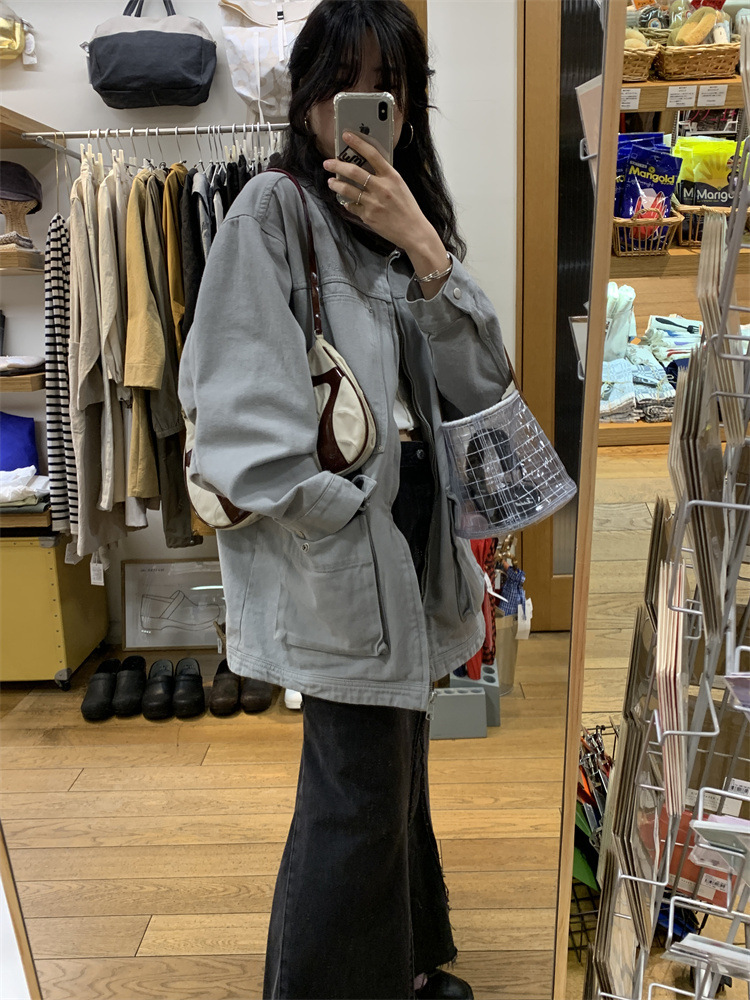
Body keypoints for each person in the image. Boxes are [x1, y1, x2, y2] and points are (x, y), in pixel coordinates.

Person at [179, 2, 511, 996]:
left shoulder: (401, 227)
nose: (356, 110)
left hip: (411, 537)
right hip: (341, 542)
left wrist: (426, 249)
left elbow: (481, 385)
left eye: (383, 91)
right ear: (307, 98)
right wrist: (337, 511)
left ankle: (401, 962)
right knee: (355, 792)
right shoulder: (270, 212)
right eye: (338, 86)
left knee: (392, 770)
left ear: (409, 107)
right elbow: (237, 424)